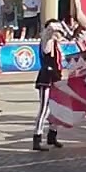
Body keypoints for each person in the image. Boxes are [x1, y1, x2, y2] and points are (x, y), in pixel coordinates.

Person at [32, 19, 67, 151]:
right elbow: (48, 35)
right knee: (44, 110)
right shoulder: (46, 41)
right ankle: (37, 137)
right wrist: (52, 28)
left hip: (56, 78)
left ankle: (52, 136)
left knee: (57, 109)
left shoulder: (57, 45)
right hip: (46, 78)